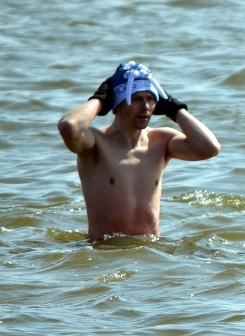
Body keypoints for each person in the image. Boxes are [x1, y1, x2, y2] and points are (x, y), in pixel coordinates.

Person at [57, 61, 221, 241]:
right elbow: (69, 126)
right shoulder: (96, 144)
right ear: (117, 104)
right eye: (136, 99)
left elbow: (210, 148)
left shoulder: (161, 142)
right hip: (105, 251)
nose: (145, 106)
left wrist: (175, 109)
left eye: (150, 98)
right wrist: (100, 99)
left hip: (149, 253)